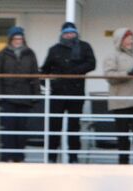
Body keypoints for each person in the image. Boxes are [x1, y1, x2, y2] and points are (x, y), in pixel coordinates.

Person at [40, 20, 95, 163]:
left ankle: (73, 157)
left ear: (76, 33)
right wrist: (46, 82)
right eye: (67, 33)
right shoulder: (54, 49)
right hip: (57, 93)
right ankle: (51, 157)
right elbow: (45, 69)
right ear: (62, 34)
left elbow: (91, 63)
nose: (70, 35)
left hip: (76, 92)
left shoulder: (84, 47)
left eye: (72, 32)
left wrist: (75, 72)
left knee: (74, 126)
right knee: (54, 126)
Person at [104, 28, 133, 166]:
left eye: (131, 38)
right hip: (120, 102)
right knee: (123, 135)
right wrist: (127, 74)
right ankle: (123, 162)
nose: (131, 41)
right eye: (128, 38)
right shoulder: (112, 56)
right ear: (121, 40)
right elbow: (109, 76)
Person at [0, 26, 40, 162]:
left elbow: (34, 75)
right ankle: (7, 155)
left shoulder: (30, 53)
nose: (18, 41)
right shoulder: (3, 54)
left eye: (20, 38)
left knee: (22, 129)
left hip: (25, 97)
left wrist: (35, 95)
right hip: (8, 97)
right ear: (10, 39)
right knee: (9, 128)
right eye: (15, 38)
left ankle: (19, 157)